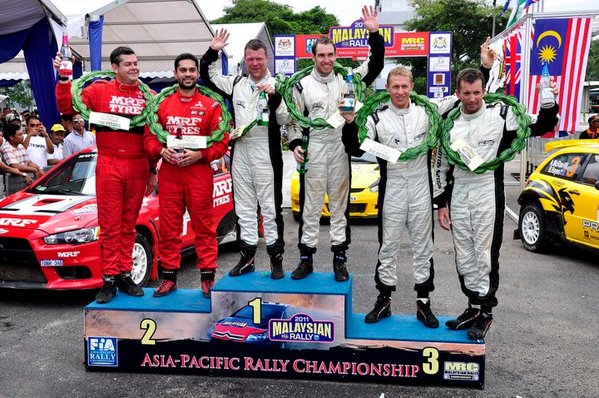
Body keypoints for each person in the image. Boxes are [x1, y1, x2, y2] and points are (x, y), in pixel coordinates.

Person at [341, 42, 495, 325]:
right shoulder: (376, 116)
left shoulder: (428, 109)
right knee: (388, 245)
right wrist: (350, 122)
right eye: (394, 86)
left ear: (412, 86)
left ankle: (423, 303)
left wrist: (484, 67)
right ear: (387, 88)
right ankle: (384, 299)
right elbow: (355, 147)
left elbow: (463, 95)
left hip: (422, 188)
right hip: (393, 187)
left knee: (424, 247)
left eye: (404, 86)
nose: (400, 91)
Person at [434, 68, 559, 340]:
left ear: (484, 91)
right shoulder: (448, 122)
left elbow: (540, 126)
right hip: (459, 192)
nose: (471, 98)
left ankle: (486, 312)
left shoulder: (501, 114)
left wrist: (548, 101)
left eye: (477, 92)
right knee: (464, 254)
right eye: (466, 93)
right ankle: (472, 307)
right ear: (457, 94)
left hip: (487, 188)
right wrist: (440, 203)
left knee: (485, 254)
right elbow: (441, 166)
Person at [287, 5, 384, 282]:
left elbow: (375, 64)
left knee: (340, 207)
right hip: (314, 149)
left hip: (341, 148)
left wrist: (374, 33)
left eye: (330, 55)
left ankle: (339, 260)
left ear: (336, 55)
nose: (326, 60)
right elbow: (293, 119)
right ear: (313, 56)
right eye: (321, 55)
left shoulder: (348, 78)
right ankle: (306, 259)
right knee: (311, 207)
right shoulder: (302, 84)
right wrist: (295, 143)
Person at [55, 46, 157, 304]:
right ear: (115, 67)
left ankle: (125, 273)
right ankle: (109, 278)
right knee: (110, 225)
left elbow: (155, 133)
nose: (134, 68)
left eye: (136, 63)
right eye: (128, 64)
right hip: (110, 162)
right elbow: (68, 106)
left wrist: (152, 169)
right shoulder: (99, 89)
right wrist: (65, 78)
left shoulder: (150, 96)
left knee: (129, 224)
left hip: (138, 165)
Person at [201, 30, 290, 280]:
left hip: (267, 152)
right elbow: (208, 77)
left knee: (271, 209)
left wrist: (274, 97)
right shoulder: (237, 83)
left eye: (259, 59)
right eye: (250, 59)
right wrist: (213, 51)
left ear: (267, 59)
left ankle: (276, 260)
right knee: (244, 208)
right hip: (240, 150)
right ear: (244, 60)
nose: (255, 63)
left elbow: (285, 118)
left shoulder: (278, 84)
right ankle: (247, 258)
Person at [145, 53, 229, 298]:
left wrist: (200, 155)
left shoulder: (211, 105)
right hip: (170, 175)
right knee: (170, 228)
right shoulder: (161, 104)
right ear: (175, 73)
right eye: (183, 70)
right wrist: (161, 151)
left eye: (192, 70)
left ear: (197, 73)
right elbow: (149, 139)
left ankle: (208, 278)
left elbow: (222, 142)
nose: (188, 74)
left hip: (199, 174)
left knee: (204, 228)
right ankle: (169, 278)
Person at [1, 124, 40, 195]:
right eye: (19, 135)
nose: (22, 136)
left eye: (22, 134)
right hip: (12, 188)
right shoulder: (6, 148)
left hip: (24, 184)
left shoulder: (20, 146)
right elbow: (14, 165)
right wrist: (33, 170)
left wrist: (39, 168)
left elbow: (28, 162)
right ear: (11, 137)